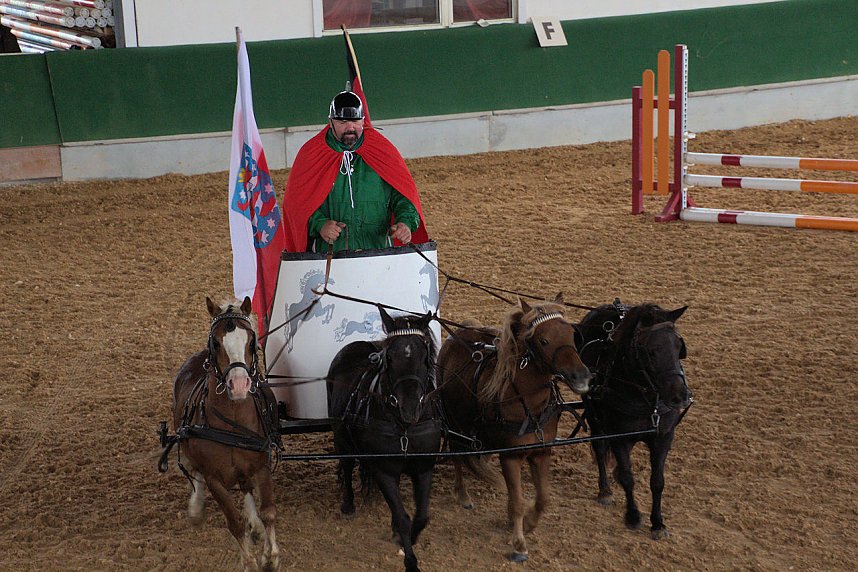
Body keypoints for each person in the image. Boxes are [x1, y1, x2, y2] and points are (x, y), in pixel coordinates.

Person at [282, 90, 429, 253]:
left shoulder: (381, 150)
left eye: (356, 121)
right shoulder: (312, 154)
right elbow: (296, 206)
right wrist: (320, 224)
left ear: (363, 121)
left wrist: (405, 223)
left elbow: (404, 196)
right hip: (330, 254)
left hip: (378, 251)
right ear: (331, 122)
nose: (350, 127)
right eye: (343, 122)